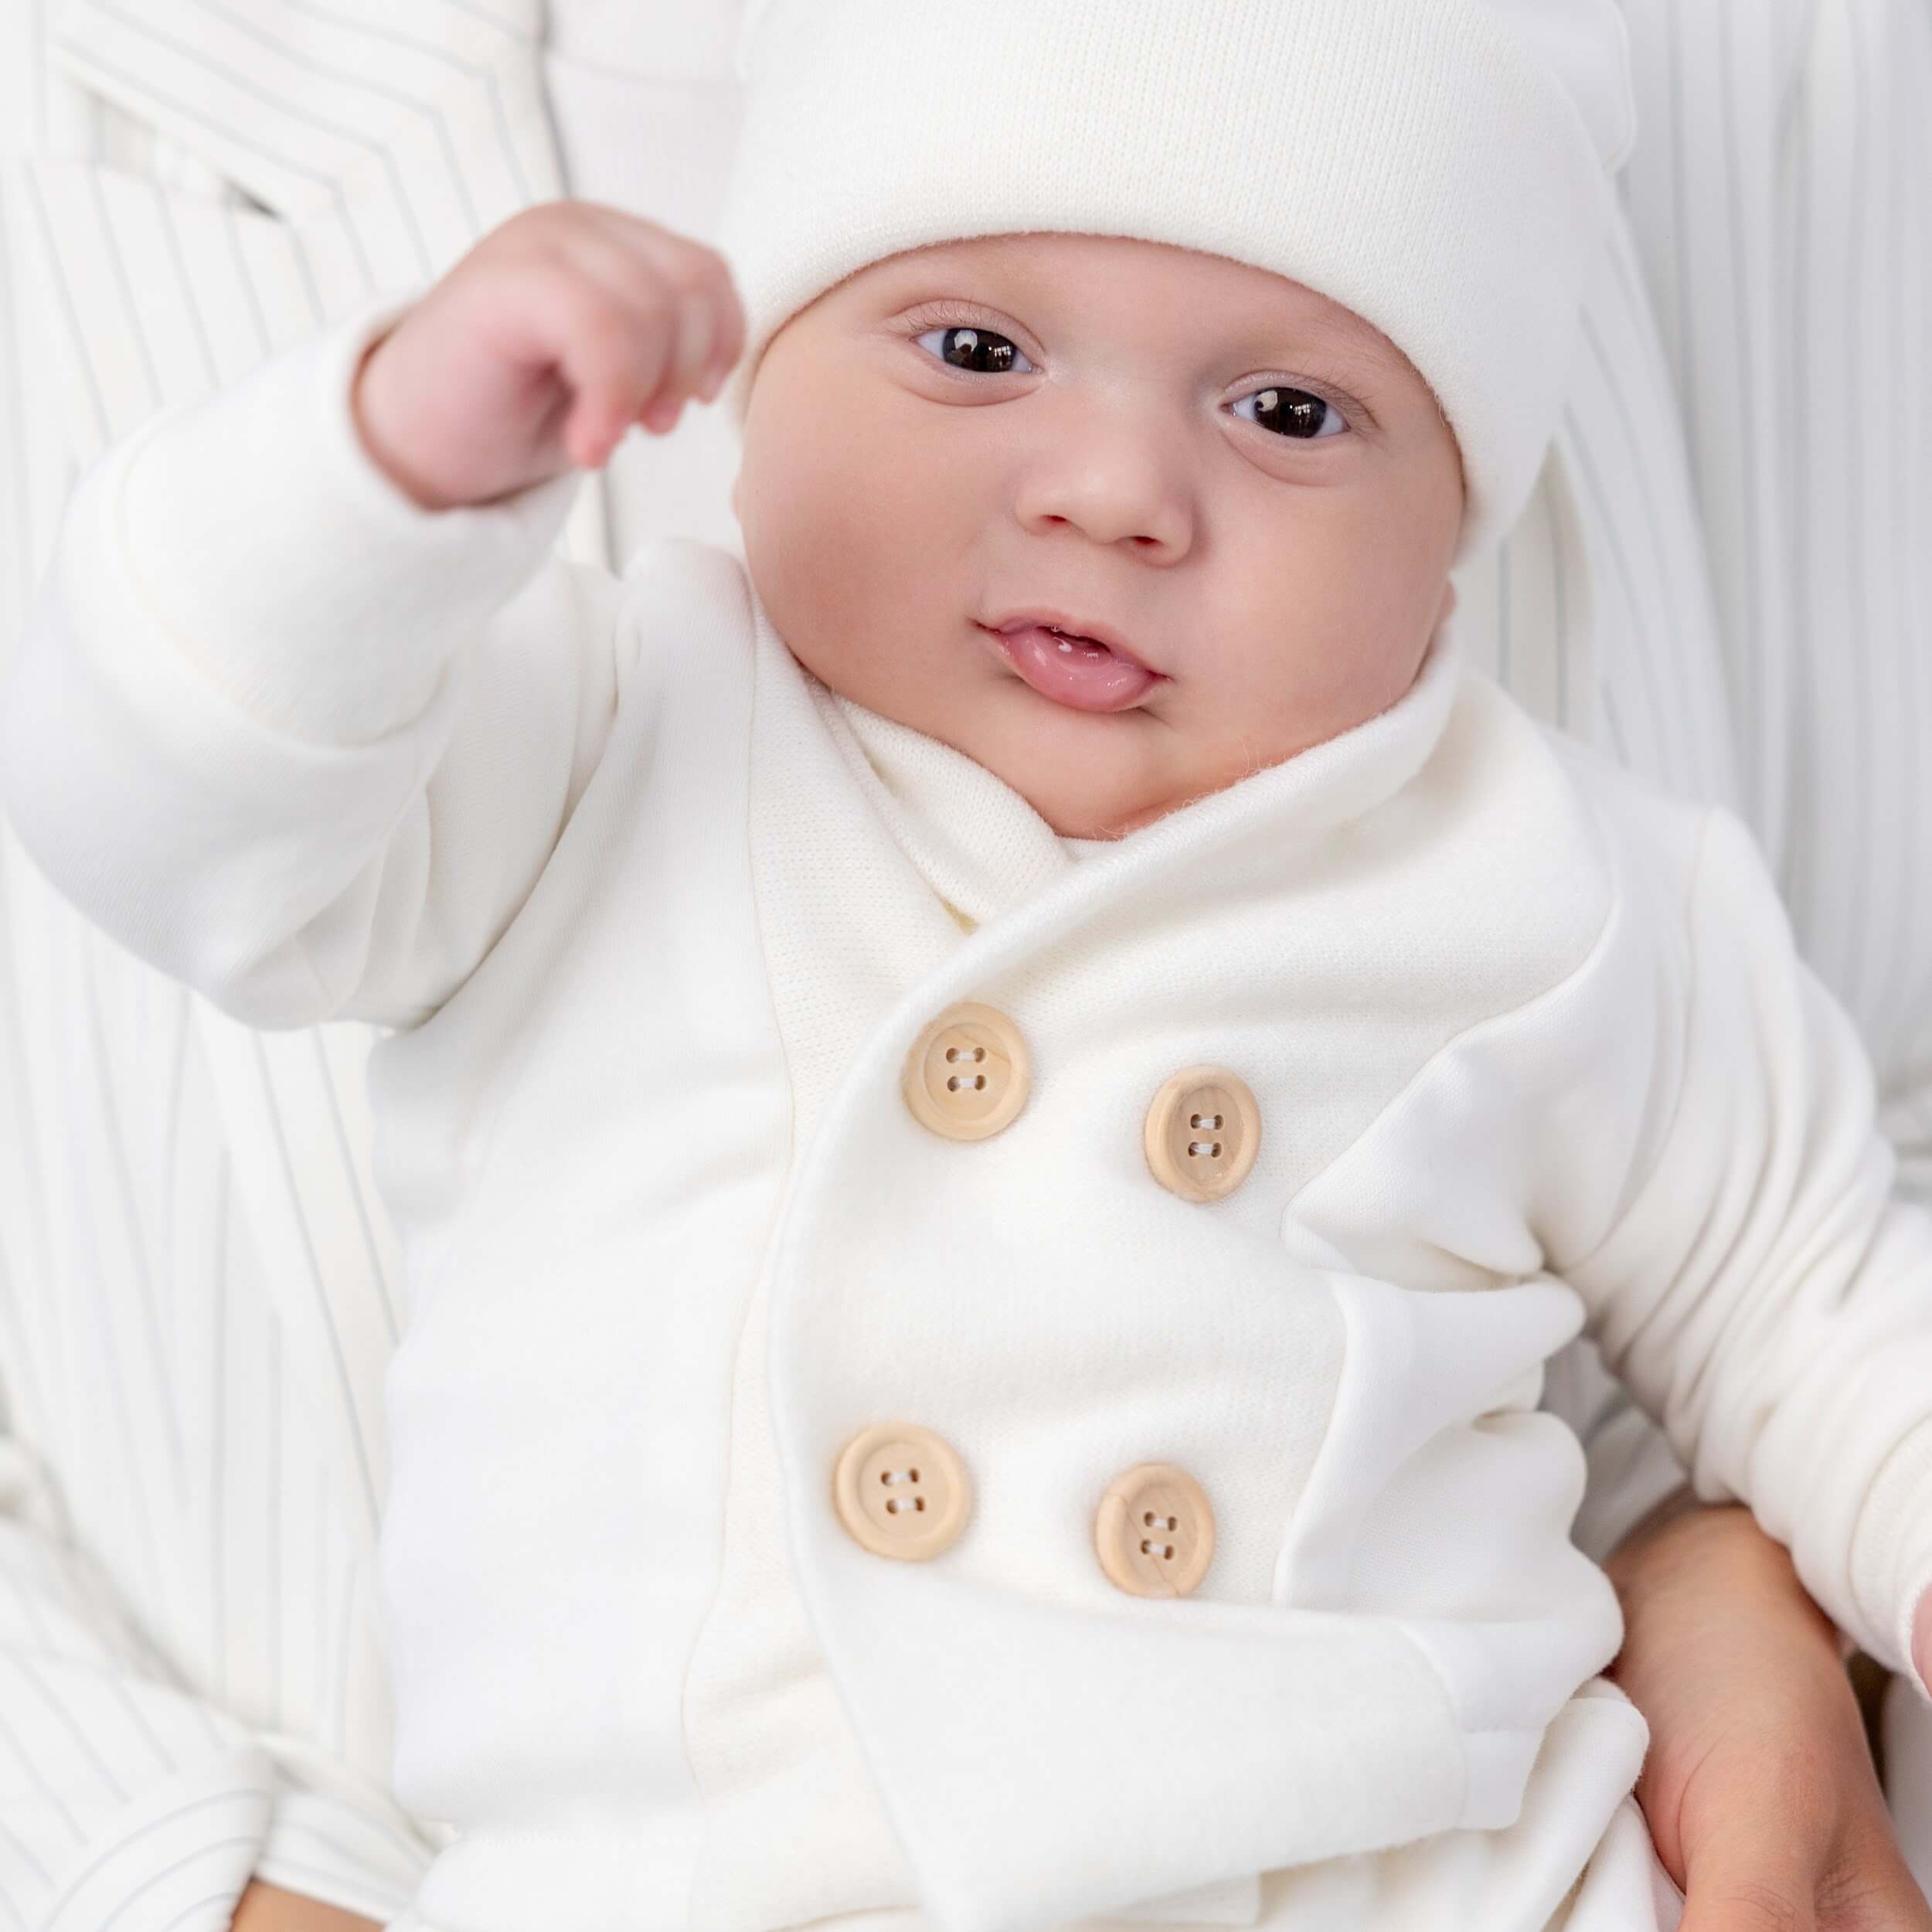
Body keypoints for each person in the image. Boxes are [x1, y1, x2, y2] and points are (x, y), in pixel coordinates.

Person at [0, 5, 1927, 1932]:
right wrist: (381, 479)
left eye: (1285, 411)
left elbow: (1813, 1286)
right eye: (976, 352)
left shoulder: (1549, 872)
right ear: (761, 387)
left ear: (1450, 540)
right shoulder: (599, 737)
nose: (1113, 492)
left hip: (1434, 1874)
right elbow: (178, 814)